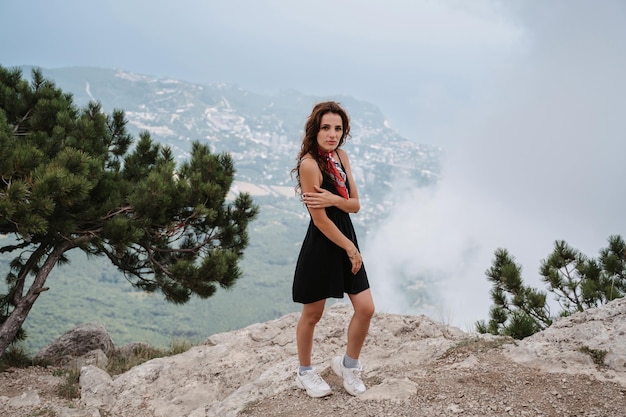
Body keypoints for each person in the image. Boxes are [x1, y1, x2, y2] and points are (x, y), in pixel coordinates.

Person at [291, 101, 375, 398]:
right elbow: (321, 221)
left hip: (345, 235)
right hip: (324, 244)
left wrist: (334, 199)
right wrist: (351, 248)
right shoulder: (309, 165)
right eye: (326, 127)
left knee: (366, 308)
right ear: (315, 129)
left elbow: (354, 204)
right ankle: (304, 372)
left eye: (338, 128)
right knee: (312, 314)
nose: (332, 134)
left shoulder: (341, 156)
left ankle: (348, 365)